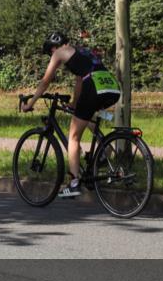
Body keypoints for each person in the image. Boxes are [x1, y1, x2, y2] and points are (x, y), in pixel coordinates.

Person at [20, 32, 121, 198]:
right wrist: (74, 103)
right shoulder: (81, 51)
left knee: (73, 137)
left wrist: (30, 104)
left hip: (94, 87)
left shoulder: (59, 52)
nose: (52, 55)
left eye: (50, 52)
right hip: (110, 86)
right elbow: (81, 79)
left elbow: (46, 81)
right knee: (85, 115)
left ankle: (74, 183)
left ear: (53, 47)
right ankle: (105, 148)